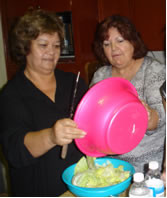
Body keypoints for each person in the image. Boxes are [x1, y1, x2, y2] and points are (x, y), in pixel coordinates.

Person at [0, 9, 88, 196]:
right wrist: (51, 136)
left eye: (56, 46)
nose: (51, 52)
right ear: (25, 47)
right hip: (38, 189)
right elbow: (15, 152)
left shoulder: (74, 82)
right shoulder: (12, 95)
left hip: (79, 185)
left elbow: (93, 125)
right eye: (43, 45)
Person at [90, 15, 166, 173]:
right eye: (106, 44)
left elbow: (160, 118)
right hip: (109, 165)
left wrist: (148, 115)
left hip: (147, 166)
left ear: (132, 40)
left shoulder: (154, 70)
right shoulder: (100, 75)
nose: (114, 48)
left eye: (120, 40)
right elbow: (92, 118)